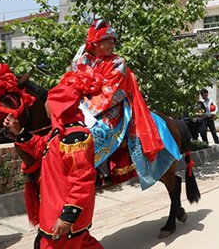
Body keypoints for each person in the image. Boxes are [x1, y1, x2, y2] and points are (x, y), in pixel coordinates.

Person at [4, 69, 129, 249]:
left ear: (60, 107)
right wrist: (20, 132)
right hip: (58, 211)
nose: (48, 108)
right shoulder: (59, 133)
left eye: (50, 104)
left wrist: (68, 216)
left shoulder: (76, 138)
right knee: (86, 246)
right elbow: (42, 148)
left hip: (62, 216)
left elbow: (82, 180)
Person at [70, 20, 180, 189]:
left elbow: (111, 93)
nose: (111, 45)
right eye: (106, 41)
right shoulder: (81, 61)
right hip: (80, 104)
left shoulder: (117, 63)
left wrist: (87, 101)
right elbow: (71, 81)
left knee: (99, 130)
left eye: (112, 41)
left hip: (109, 107)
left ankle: (100, 171)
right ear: (95, 43)